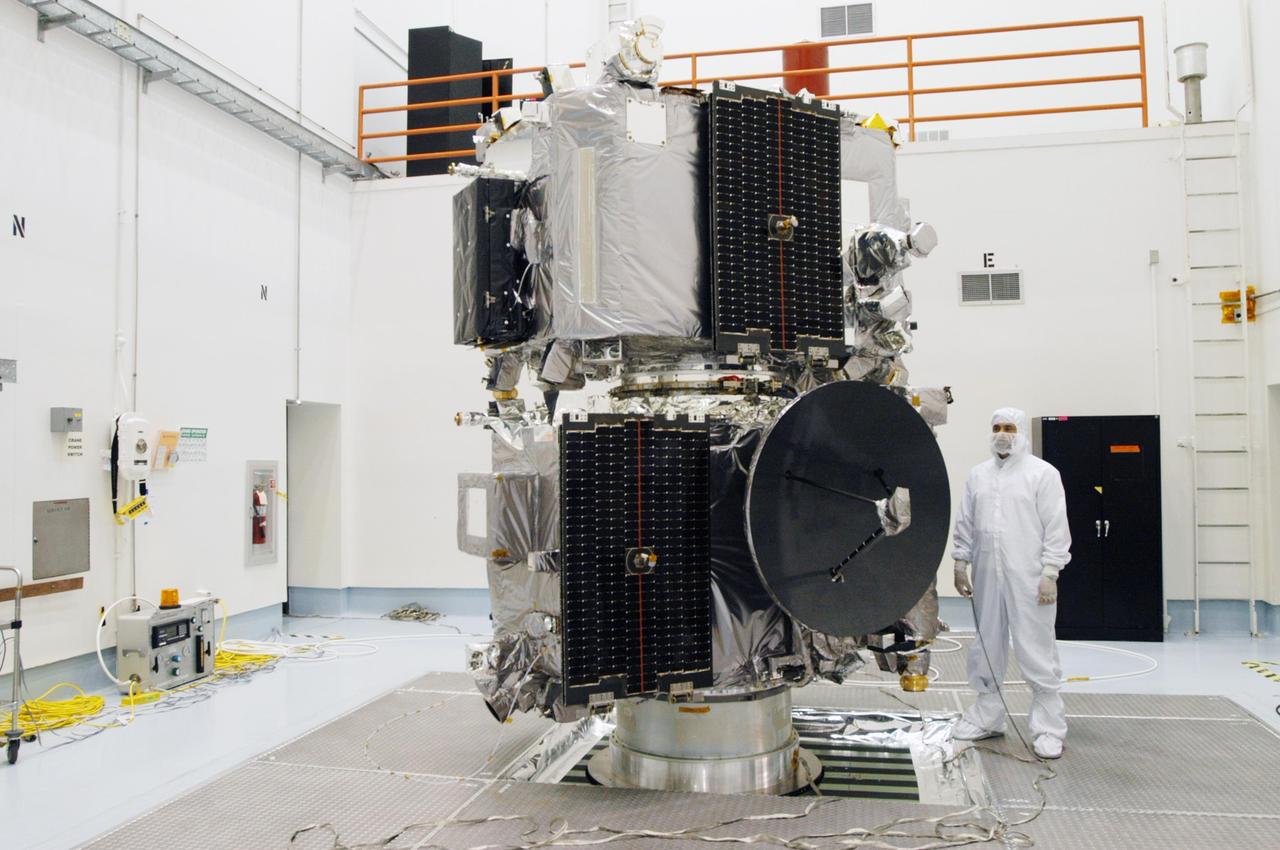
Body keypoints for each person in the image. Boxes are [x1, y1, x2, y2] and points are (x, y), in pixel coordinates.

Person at [951, 407, 1071, 759]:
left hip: (1030, 578)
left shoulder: (1042, 474)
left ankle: (1049, 727)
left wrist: (1050, 572)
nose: (1002, 434)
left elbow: (1056, 526)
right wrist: (961, 562)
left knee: (1035, 646)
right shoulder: (979, 475)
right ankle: (988, 715)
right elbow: (966, 521)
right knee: (986, 642)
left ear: (1021, 433)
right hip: (988, 575)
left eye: (1009, 427)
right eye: (997, 427)